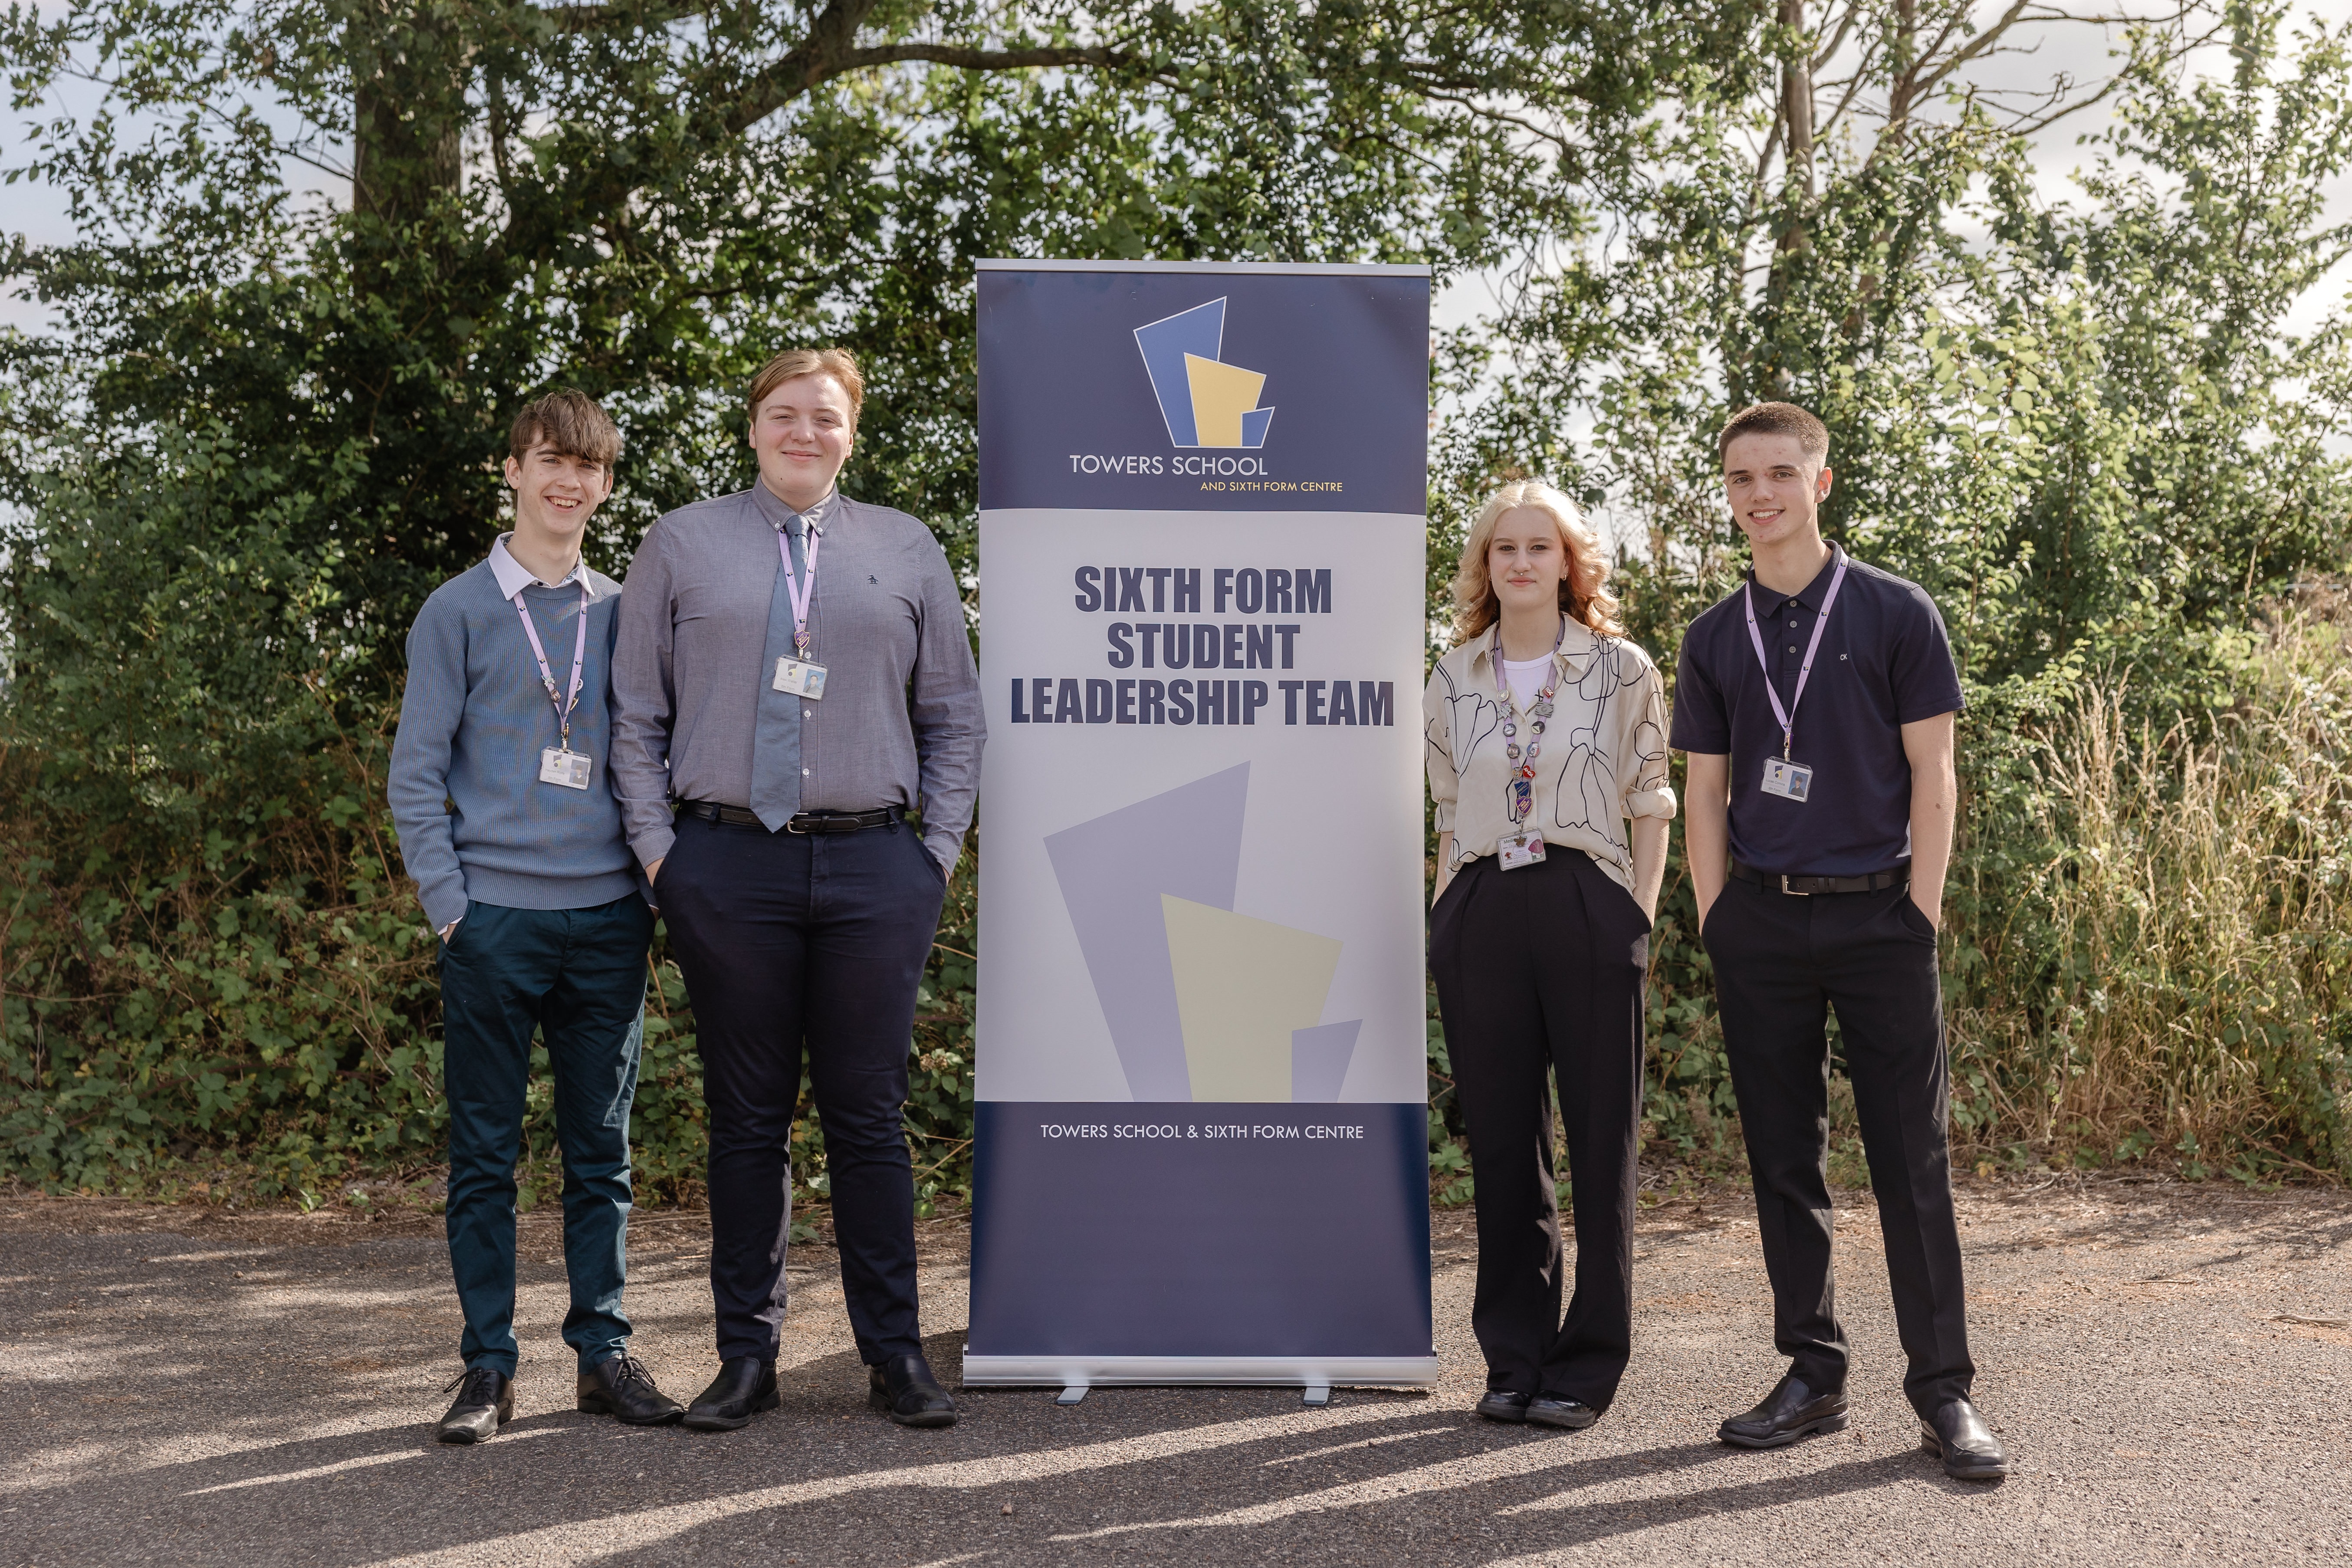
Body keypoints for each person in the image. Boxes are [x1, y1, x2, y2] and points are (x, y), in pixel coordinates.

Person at [610, 348, 984, 1431]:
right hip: (725, 865)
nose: (803, 433)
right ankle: (747, 1357)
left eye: (823, 416)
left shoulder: (905, 548)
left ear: (850, 431)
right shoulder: (680, 543)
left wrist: (935, 852)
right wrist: (661, 853)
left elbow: (953, 714)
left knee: (868, 1118)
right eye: (783, 413)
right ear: (753, 426)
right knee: (746, 1121)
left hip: (876, 866)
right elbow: (635, 715)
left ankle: (895, 1355)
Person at [1670, 401, 2009, 1480]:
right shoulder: (1712, 636)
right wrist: (1717, 914)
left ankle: (1943, 1391)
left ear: (1819, 483)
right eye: (1740, 478)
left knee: (1912, 1160)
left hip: (1880, 917)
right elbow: (1706, 788)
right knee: (1784, 1158)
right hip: (1761, 921)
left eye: (1779, 473)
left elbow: (1933, 771)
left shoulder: (1896, 610)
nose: (1758, 494)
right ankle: (1813, 1373)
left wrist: (1921, 911)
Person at [390, 390, 680, 1443]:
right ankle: (488, 1368)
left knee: (601, 1153)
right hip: (493, 923)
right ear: (512, 470)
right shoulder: (457, 609)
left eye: (589, 466)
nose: (570, 481)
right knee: (484, 1157)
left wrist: (652, 888)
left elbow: (655, 752)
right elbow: (415, 773)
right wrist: (452, 910)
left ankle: (603, 1356)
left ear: (605, 485)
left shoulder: (628, 611)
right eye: (551, 459)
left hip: (607, 919)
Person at [1423, 479, 1675, 1430]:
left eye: (1541, 546)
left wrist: (1633, 918)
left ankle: (1588, 1362)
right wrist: (1445, 913)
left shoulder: (1621, 669)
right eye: (1505, 548)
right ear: (1484, 566)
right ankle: (1514, 1355)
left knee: (1602, 1138)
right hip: (1482, 903)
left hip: (1586, 900)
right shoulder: (1452, 674)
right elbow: (1449, 808)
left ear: (1571, 563)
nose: (1522, 562)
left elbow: (1651, 800)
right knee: (1500, 1143)